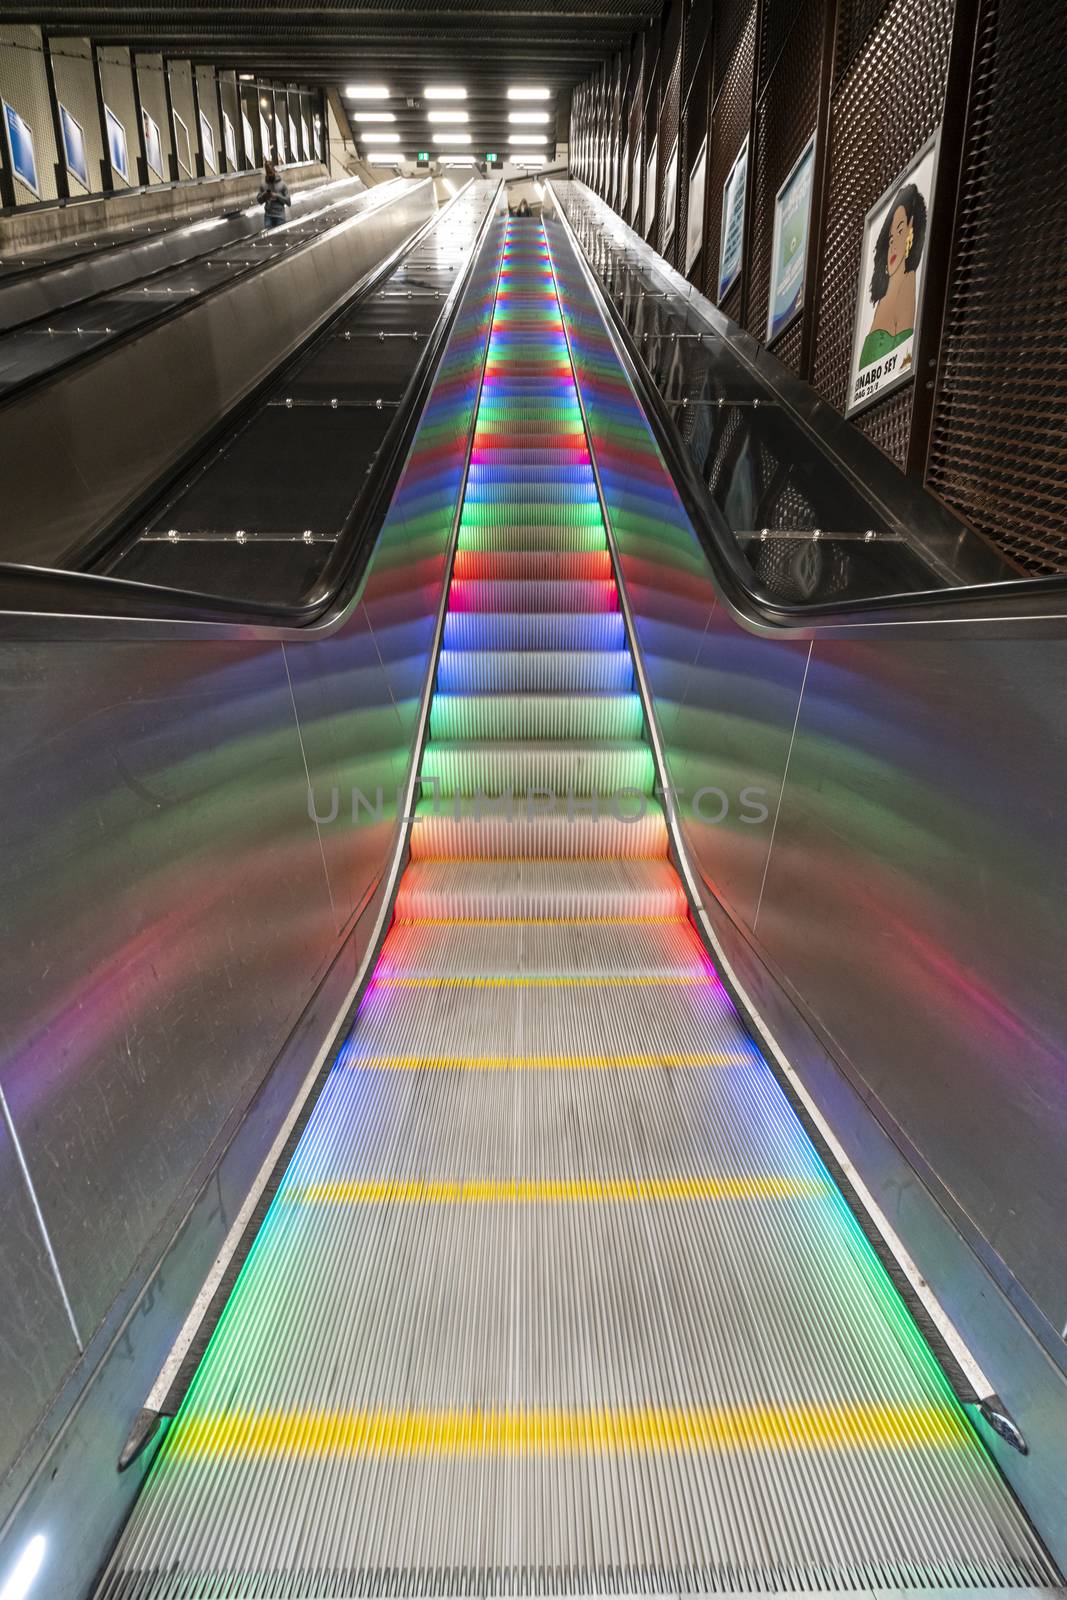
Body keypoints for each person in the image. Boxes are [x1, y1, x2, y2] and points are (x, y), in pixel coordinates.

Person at [858, 181, 927, 370]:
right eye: (890, 238)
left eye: (900, 230)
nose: (894, 244)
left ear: (911, 229)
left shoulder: (908, 282)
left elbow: (904, 363)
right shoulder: (883, 294)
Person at [257, 160, 291, 229]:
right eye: (268, 173)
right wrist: (265, 195)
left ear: (274, 170)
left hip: (280, 216)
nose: (269, 174)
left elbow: (288, 202)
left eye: (271, 172)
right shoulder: (263, 185)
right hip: (268, 216)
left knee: (281, 237)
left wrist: (277, 196)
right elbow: (259, 200)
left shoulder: (282, 185)